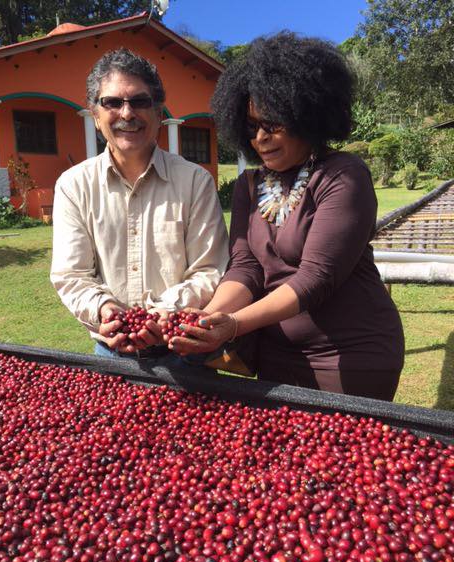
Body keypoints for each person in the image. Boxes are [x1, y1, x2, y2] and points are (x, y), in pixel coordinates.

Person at [169, 32, 405, 401]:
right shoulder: (250, 185)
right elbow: (245, 267)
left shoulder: (343, 175)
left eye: (273, 123)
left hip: (350, 357)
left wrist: (232, 326)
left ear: (306, 114)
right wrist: (203, 320)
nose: (261, 137)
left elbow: (316, 278)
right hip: (275, 358)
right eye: (251, 127)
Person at [50, 48, 228, 360]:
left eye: (140, 101)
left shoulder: (195, 181)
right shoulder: (73, 185)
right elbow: (71, 274)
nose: (127, 113)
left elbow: (210, 268)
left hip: (184, 349)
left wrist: (165, 312)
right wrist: (104, 309)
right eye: (113, 102)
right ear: (95, 116)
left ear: (159, 113)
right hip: (111, 351)